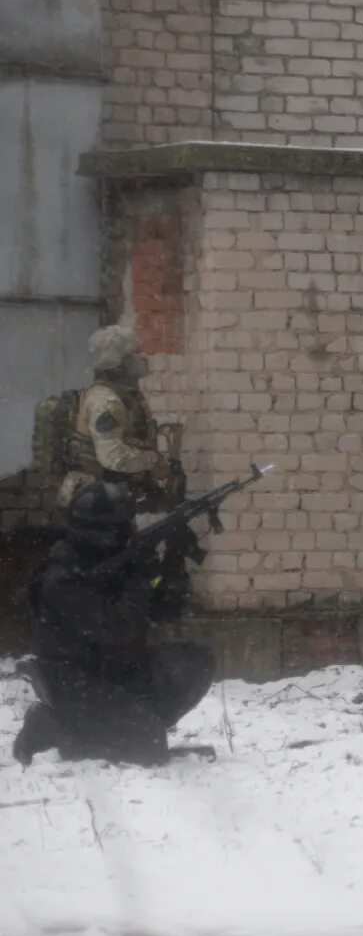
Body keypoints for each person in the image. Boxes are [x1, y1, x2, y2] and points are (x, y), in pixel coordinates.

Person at [14, 482, 215, 766]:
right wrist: (139, 576)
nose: (128, 533)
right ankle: (56, 726)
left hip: (116, 670)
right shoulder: (61, 579)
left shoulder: (116, 562)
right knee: (150, 748)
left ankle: (122, 726)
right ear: (102, 533)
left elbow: (166, 612)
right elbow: (117, 628)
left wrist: (172, 562)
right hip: (72, 681)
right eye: (121, 527)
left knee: (197, 658)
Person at [58, 325, 176, 510]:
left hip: (112, 498)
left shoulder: (124, 395)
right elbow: (113, 457)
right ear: (119, 362)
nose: (144, 357)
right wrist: (153, 462)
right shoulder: (105, 401)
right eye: (137, 352)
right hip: (95, 502)